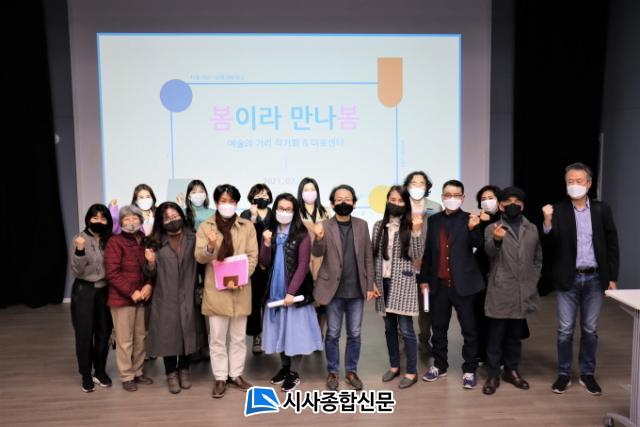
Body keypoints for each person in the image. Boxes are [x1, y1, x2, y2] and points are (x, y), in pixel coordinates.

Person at [542, 162, 619, 396]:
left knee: (590, 329)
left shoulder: (601, 209)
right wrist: (547, 221)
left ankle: (587, 374)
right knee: (565, 329)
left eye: (579, 181)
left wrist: (612, 277)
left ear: (589, 183)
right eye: (570, 181)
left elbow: (612, 243)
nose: (574, 185)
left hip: (595, 278)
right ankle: (564, 374)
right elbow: (550, 246)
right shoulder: (558, 210)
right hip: (568, 278)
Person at [418, 179, 484, 389]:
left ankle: (469, 369)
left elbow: (478, 244)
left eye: (456, 195)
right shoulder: (434, 220)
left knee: (469, 330)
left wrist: (473, 228)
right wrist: (424, 279)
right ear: (442, 197)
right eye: (448, 195)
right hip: (439, 285)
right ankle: (440, 365)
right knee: (438, 329)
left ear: (462, 198)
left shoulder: (470, 219)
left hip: (464, 285)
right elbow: (429, 253)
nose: (452, 198)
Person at [195, 184, 258, 399]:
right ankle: (221, 377)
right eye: (223, 201)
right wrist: (210, 246)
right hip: (216, 290)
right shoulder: (206, 226)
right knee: (217, 338)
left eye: (231, 201)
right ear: (216, 203)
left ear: (237, 203)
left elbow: (253, 256)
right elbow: (200, 257)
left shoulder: (247, 226)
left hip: (240, 288)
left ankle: (236, 374)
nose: (227, 205)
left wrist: (242, 277)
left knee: (239, 337)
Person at [311, 184, 376, 391]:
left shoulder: (362, 225)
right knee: (333, 333)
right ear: (332, 204)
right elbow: (317, 253)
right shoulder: (324, 225)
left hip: (356, 290)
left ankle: (351, 371)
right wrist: (318, 238)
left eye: (347, 199)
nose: (343, 203)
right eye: (339, 199)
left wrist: (369, 284)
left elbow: (368, 257)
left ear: (354, 203)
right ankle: (332, 372)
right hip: (333, 290)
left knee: (355, 333)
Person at [481, 187, 542, 395]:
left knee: (515, 336)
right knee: (495, 336)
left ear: (522, 206)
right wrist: (497, 239)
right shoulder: (492, 228)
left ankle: (512, 370)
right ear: (501, 206)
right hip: (500, 289)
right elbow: (489, 252)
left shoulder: (532, 228)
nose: (512, 205)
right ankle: (492, 374)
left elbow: (538, 257)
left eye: (517, 202)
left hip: (522, 290)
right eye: (508, 202)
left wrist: (533, 278)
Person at [259, 193, 322, 392]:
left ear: (294, 212)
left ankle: (294, 373)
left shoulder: (301, 234)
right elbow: (264, 262)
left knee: (295, 335)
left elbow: (303, 266)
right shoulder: (269, 232)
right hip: (274, 292)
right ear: (275, 209)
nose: (284, 212)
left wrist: (291, 292)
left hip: (295, 294)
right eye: (281, 208)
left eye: (288, 209)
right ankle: (285, 368)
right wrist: (266, 243)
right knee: (280, 331)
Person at [144, 202, 199, 394]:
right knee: (168, 335)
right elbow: (149, 274)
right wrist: (151, 263)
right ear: (161, 221)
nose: (172, 220)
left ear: (182, 216)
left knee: (187, 333)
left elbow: (202, 264)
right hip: (165, 295)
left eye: (175, 216)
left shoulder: (193, 238)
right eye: (167, 218)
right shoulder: (154, 242)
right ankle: (170, 373)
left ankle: (184, 370)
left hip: (188, 293)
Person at [372, 186, 424, 389]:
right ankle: (394, 366)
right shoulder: (378, 226)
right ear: (387, 201)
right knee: (389, 328)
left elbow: (416, 255)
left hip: (403, 284)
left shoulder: (411, 226)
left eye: (400, 200)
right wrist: (373, 282)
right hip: (382, 282)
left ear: (406, 204)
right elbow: (374, 255)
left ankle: (411, 371)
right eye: (392, 199)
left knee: (407, 330)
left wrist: (417, 231)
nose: (396, 203)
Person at [104, 205, 154, 391]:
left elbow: (149, 267)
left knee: (140, 338)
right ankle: (126, 376)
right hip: (122, 299)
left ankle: (138, 372)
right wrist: (132, 292)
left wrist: (148, 285)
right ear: (121, 222)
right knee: (125, 340)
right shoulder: (114, 242)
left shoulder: (144, 240)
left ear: (141, 220)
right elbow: (112, 273)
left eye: (135, 218)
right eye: (127, 219)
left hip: (142, 298)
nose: (131, 222)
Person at [70, 204, 114, 393]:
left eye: (103, 218)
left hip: (105, 291)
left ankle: (100, 371)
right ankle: (86, 374)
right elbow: (77, 271)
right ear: (88, 219)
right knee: (84, 334)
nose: (99, 221)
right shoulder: (79, 238)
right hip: (84, 291)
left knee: (104, 333)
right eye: (95, 218)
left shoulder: (110, 239)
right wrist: (80, 250)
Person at [403, 171, 442, 359]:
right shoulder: (401, 206)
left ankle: (424, 340)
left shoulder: (435, 207)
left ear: (427, 187)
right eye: (413, 182)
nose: (417, 186)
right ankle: (405, 339)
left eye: (421, 183)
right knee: (403, 306)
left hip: (427, 266)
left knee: (426, 307)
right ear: (407, 186)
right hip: (404, 265)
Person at [297, 177, 332, 341]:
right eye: (306, 190)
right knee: (306, 297)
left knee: (322, 300)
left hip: (323, 259)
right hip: (302, 259)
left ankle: (319, 332)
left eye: (312, 189)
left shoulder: (326, 211)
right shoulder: (296, 212)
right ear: (301, 192)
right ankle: (305, 334)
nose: (309, 193)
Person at [240, 183, 274, 355]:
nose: (262, 197)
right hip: (253, 263)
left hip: (272, 261)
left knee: (270, 300)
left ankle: (271, 335)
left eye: (265, 194)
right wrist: (254, 218)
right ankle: (257, 336)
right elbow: (244, 236)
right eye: (258, 195)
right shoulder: (246, 214)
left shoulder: (274, 213)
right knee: (255, 301)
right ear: (252, 197)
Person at [473, 185, 502, 363]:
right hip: (480, 273)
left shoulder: (505, 219)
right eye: (483, 199)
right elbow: (478, 245)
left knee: (498, 317)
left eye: (490, 198)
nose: (487, 202)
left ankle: (499, 354)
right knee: (480, 314)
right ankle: (481, 353)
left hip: (501, 273)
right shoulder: (476, 220)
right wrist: (481, 223)